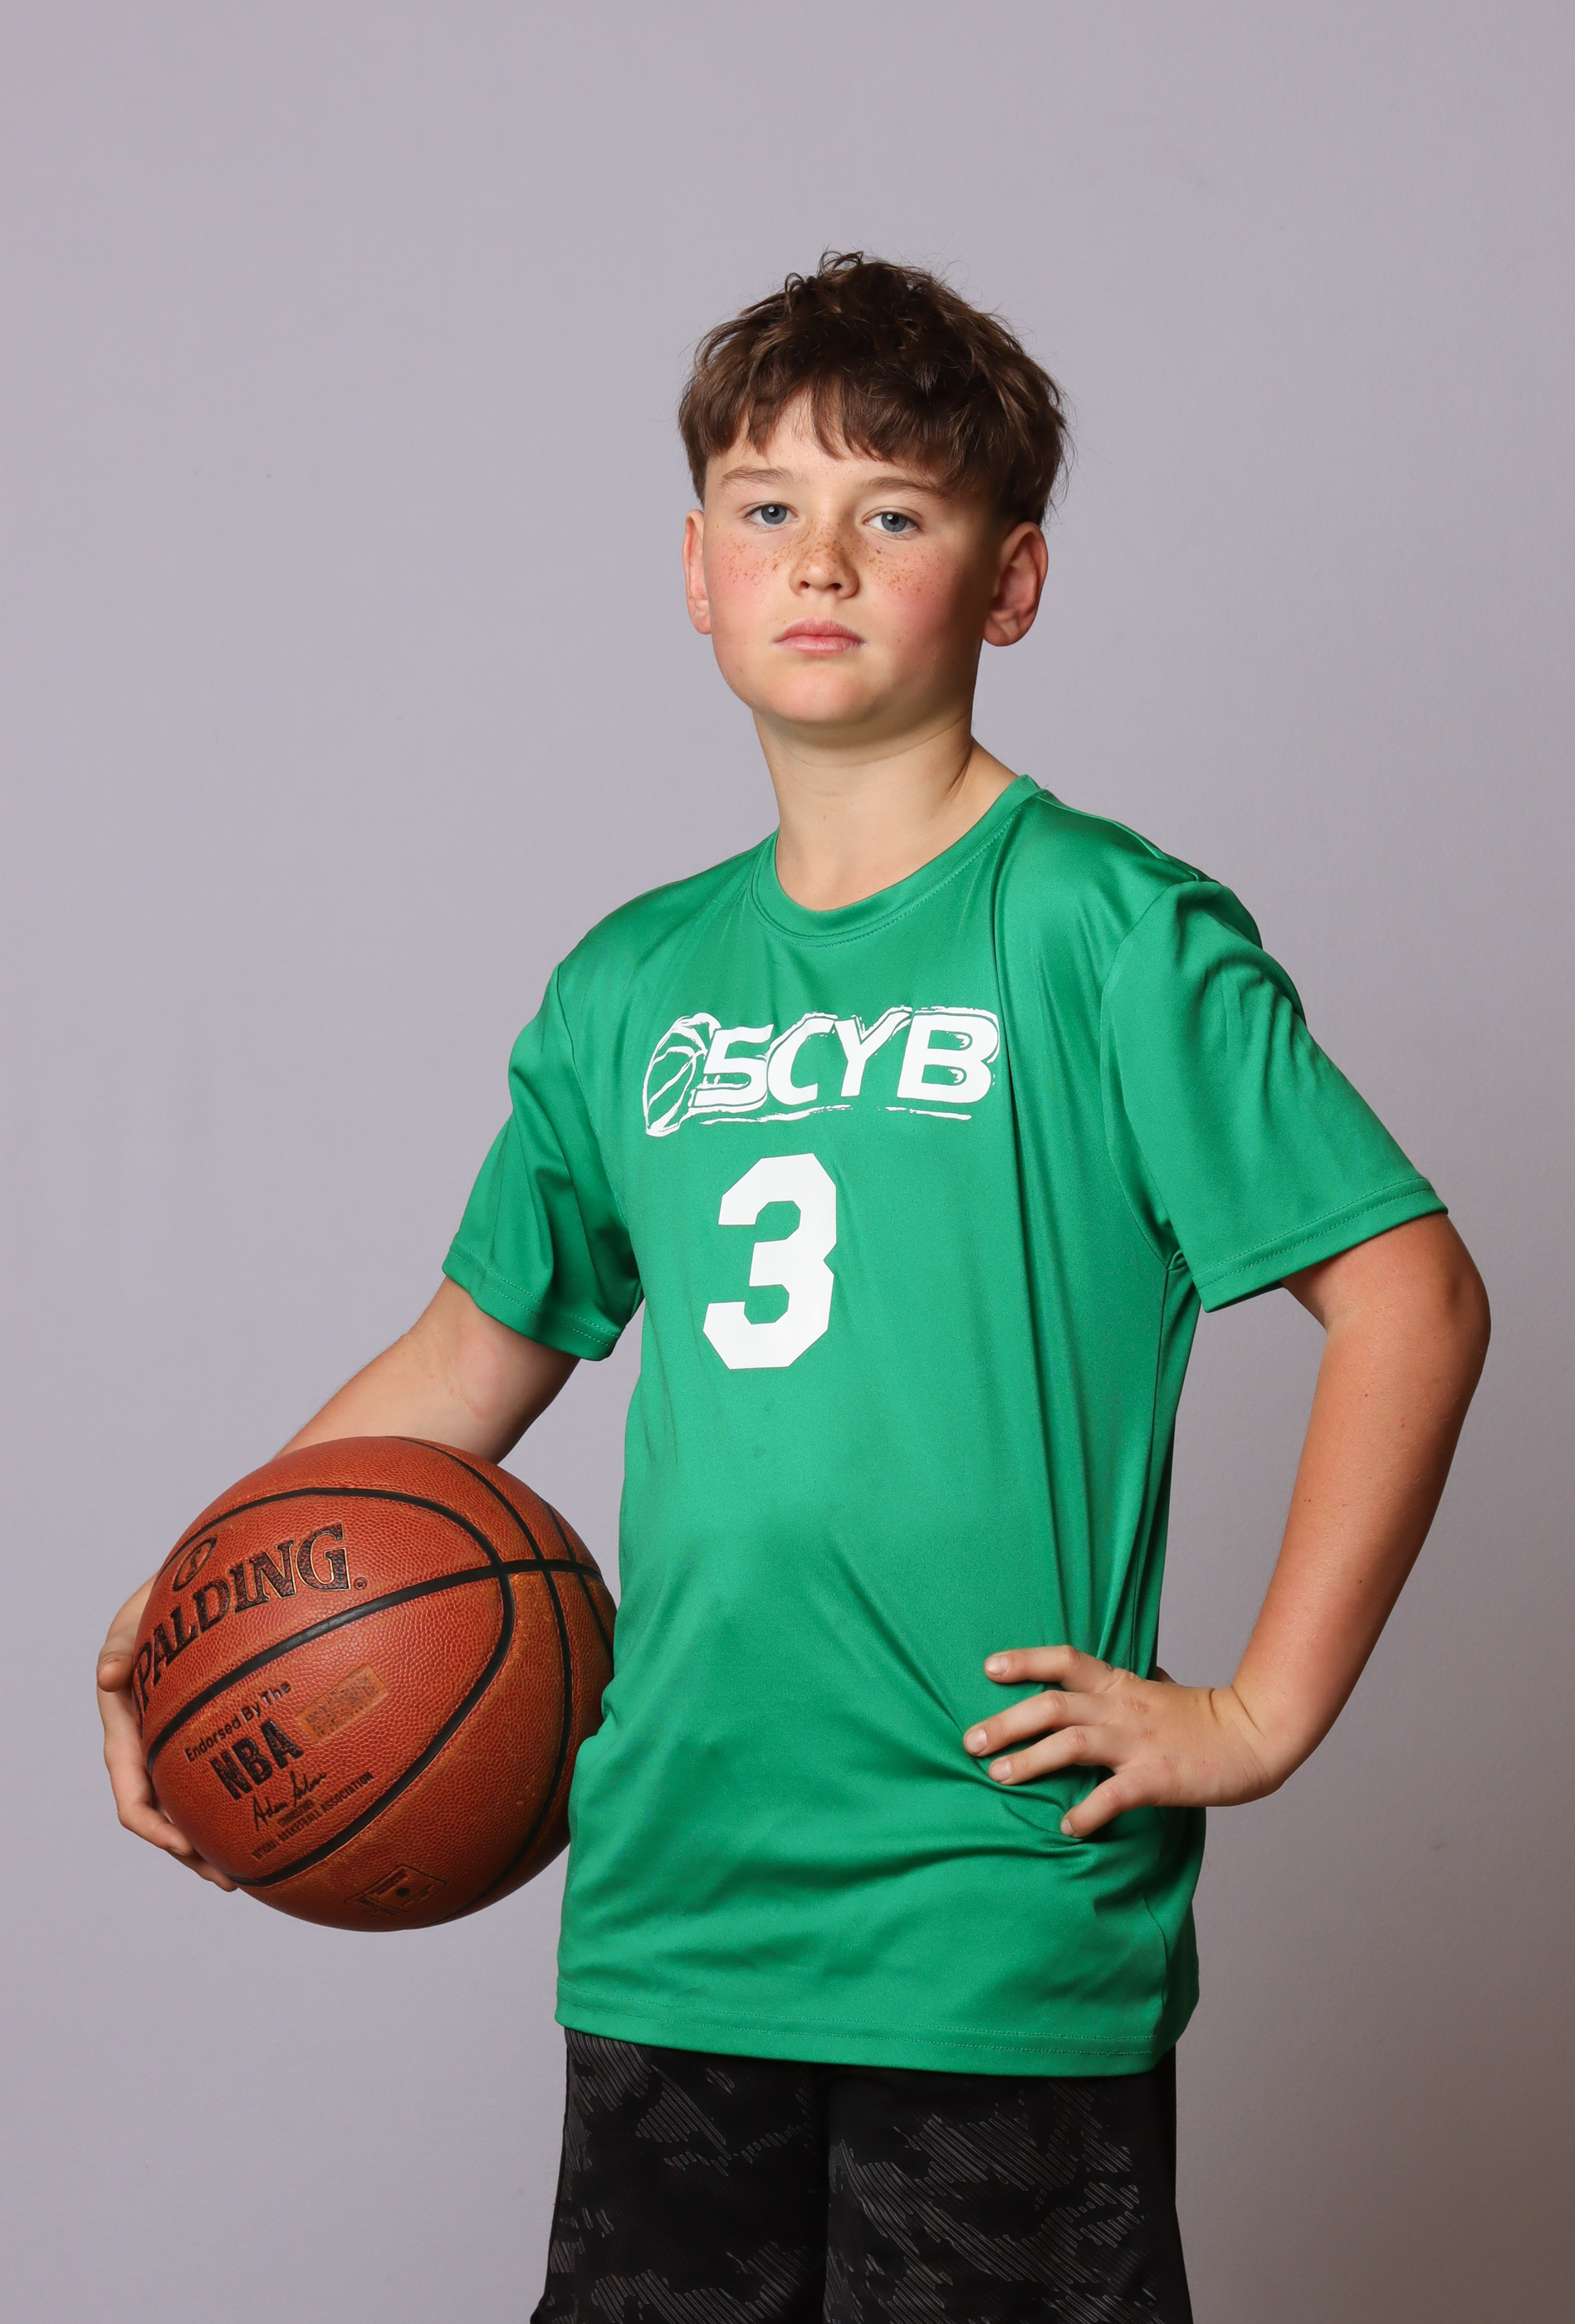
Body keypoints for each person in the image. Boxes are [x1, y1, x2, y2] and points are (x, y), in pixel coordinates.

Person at [96, 253, 1489, 2323]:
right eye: (768, 506)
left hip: (992, 1909)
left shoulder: (1108, 932)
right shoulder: (630, 981)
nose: (819, 558)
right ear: (696, 567)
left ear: (1010, 582)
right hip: (677, 1893)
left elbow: (1412, 1297)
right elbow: (474, 1352)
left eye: (893, 512)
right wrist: (202, 1595)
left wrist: (1259, 1710)